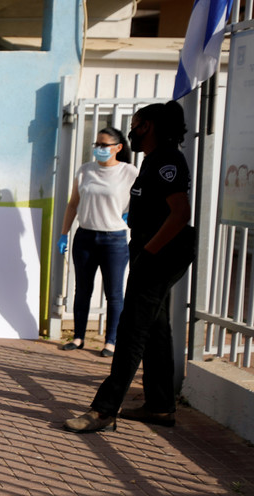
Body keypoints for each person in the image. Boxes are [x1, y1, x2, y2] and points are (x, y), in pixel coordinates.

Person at [64, 101, 196, 433]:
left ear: (148, 126)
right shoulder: (153, 160)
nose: (132, 131)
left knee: (132, 330)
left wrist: (148, 254)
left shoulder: (167, 159)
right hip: (153, 252)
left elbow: (180, 213)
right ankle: (160, 405)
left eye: (135, 125)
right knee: (155, 328)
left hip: (160, 255)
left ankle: (104, 410)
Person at [58, 128, 137, 357]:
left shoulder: (128, 172)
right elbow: (73, 203)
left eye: (104, 145)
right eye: (97, 144)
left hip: (114, 239)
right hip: (85, 237)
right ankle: (78, 337)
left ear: (118, 147)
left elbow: (144, 198)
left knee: (113, 293)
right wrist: (64, 233)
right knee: (82, 290)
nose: (99, 149)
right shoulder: (85, 171)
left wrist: (130, 214)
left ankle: (111, 341)